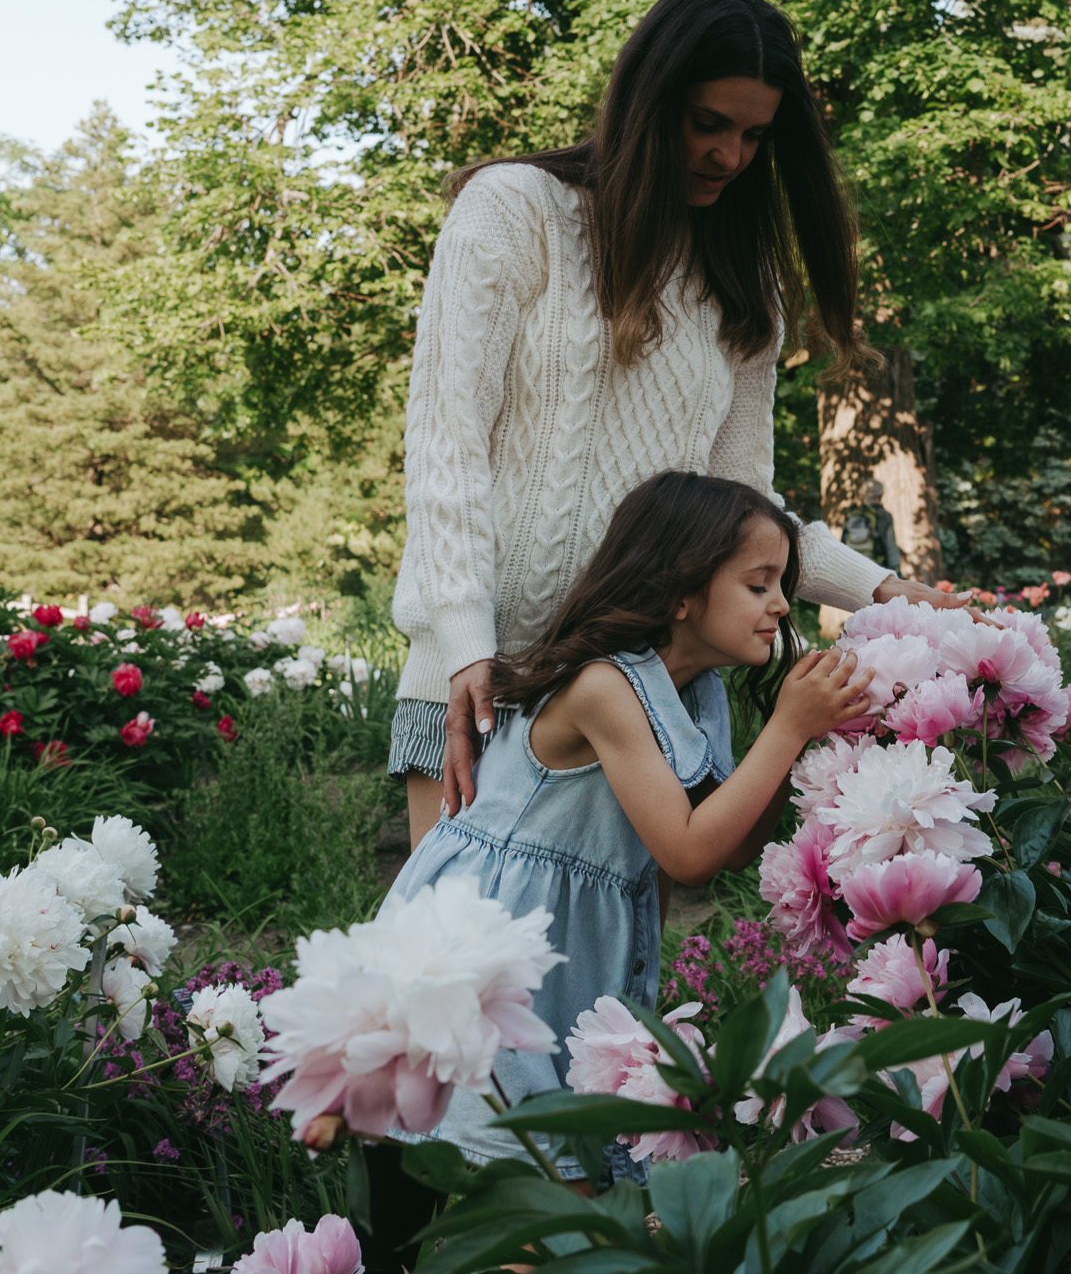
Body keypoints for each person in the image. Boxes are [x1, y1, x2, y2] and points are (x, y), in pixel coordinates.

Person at [389, 0, 961, 845]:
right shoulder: (515, 213)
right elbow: (445, 448)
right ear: (651, 104)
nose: (731, 157)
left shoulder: (743, 285)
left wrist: (886, 590)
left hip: (653, 697)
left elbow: (744, 520)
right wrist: (467, 643)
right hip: (482, 680)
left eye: (754, 136)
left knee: (614, 974)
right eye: (709, 124)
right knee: (451, 971)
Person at [364, 473, 875, 1268]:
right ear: (680, 589)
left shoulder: (697, 691)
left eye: (784, 585)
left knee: (570, 1203)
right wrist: (786, 727)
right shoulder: (604, 685)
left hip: (566, 963)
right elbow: (688, 850)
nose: (781, 605)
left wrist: (798, 740)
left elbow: (729, 844)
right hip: (481, 961)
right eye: (758, 583)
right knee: (533, 1209)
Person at [840, 478, 902, 573]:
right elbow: (891, 548)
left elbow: (843, 544)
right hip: (875, 570)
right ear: (880, 495)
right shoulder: (884, 516)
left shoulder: (852, 514)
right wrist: (897, 572)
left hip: (852, 569)